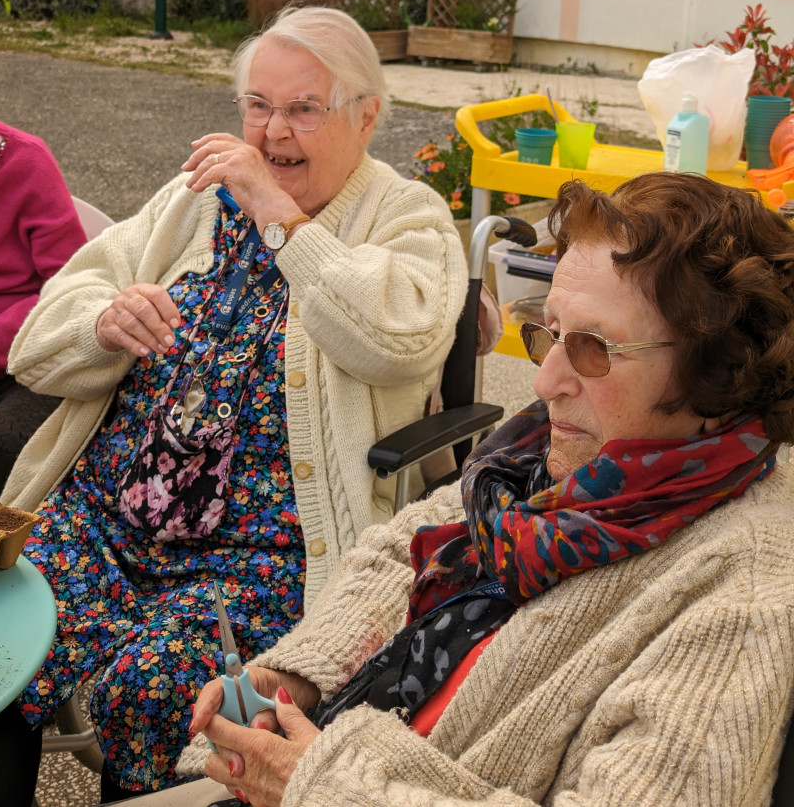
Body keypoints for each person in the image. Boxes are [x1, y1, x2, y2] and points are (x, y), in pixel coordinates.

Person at [182, 171, 794, 807]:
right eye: (548, 333)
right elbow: (401, 551)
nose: (545, 381)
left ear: (720, 376)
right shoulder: (540, 458)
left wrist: (322, 786)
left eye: (593, 349)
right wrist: (297, 674)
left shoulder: (741, 598)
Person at [0, 6, 468, 804]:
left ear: (366, 116)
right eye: (257, 104)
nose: (272, 130)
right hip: (106, 521)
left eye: (302, 109)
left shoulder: (406, 215)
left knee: (150, 690)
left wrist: (280, 220)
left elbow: (399, 339)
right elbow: (39, 338)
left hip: (259, 555)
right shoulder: (195, 201)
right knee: (0, 652)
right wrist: (103, 322)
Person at [0, 117, 86, 496]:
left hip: (26, 355)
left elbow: (73, 286)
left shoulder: (26, 162)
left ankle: (6, 547)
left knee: (4, 444)